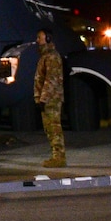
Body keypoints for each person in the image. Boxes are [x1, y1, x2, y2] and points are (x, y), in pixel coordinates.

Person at [34, 29, 67, 169]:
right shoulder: (45, 56)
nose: (37, 40)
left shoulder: (52, 57)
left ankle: (59, 157)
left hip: (51, 99)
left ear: (48, 38)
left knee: (54, 128)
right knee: (49, 128)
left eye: (39, 37)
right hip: (47, 98)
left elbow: (51, 79)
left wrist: (43, 98)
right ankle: (56, 156)